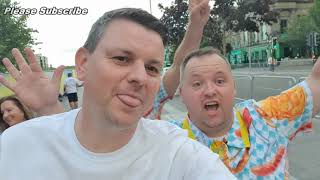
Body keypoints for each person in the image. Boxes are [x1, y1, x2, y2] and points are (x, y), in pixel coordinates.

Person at [0, 6, 235, 180]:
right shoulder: (15, 145)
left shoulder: (177, 154)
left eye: (152, 68)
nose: (140, 77)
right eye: (122, 59)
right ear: (82, 64)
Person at [165, 47, 320, 179]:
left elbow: (317, 80)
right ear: (181, 93)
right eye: (197, 84)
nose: (210, 91)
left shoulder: (266, 117)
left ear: (234, 87)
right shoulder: (167, 142)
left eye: (219, 81)